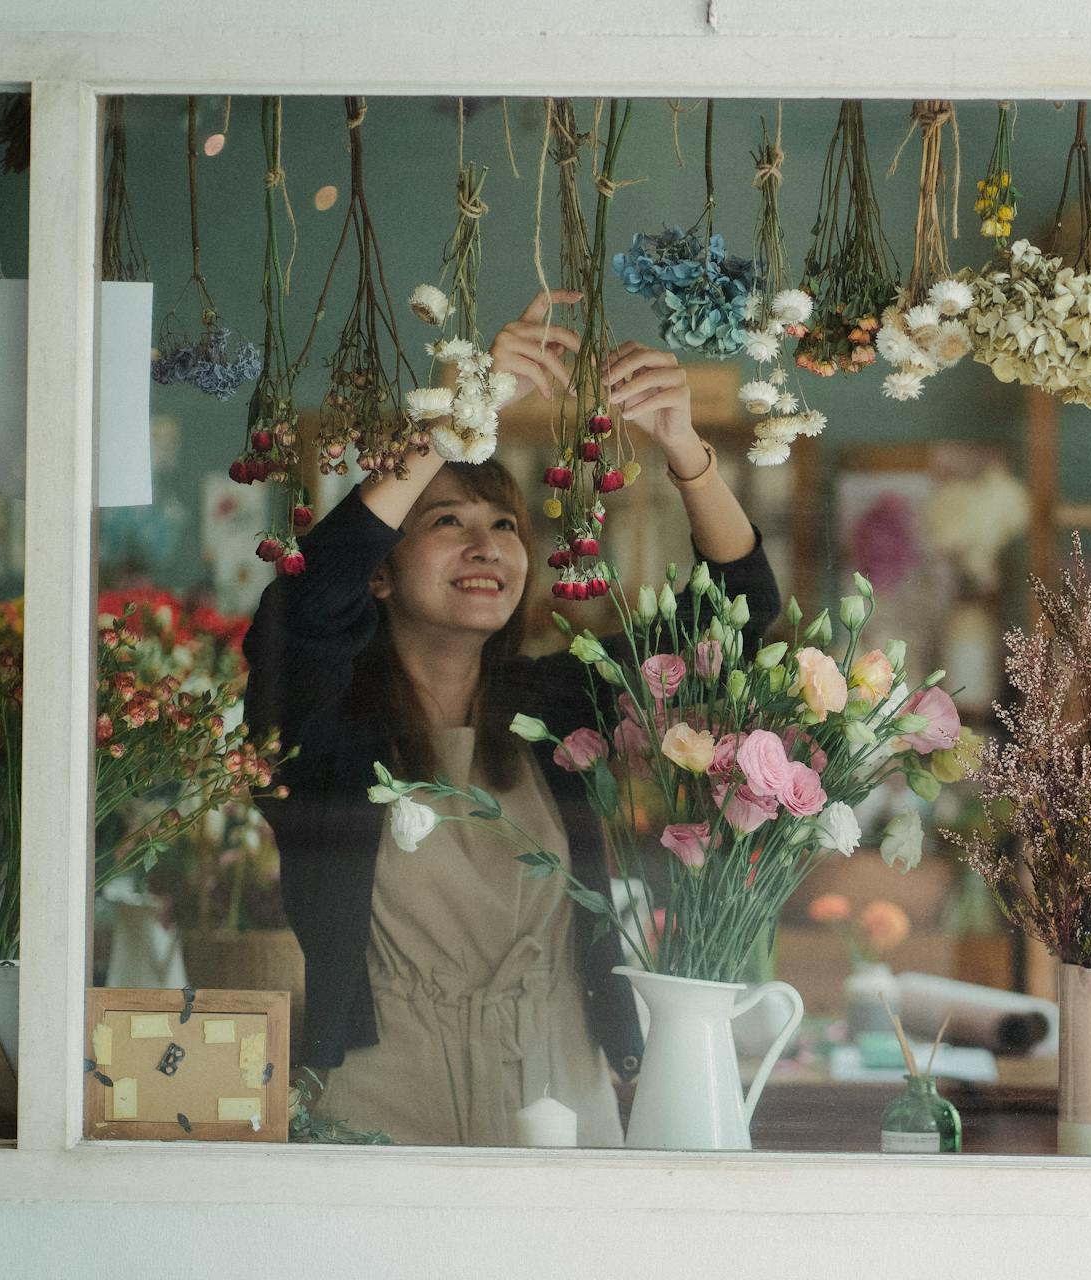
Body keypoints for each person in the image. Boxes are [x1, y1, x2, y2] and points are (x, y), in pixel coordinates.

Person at [244, 290, 781, 1145]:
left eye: (503, 525)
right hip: (381, 1085)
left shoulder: (557, 706)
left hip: (562, 1082)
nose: (486, 545)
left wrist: (685, 448)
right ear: (380, 573)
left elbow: (735, 625)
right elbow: (305, 607)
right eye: (446, 522)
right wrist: (464, 416)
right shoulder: (325, 725)